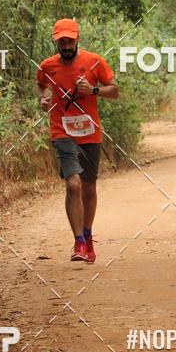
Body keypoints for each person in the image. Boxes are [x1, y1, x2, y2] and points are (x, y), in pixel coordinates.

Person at [36, 18, 119, 262]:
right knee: (73, 184)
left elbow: (114, 90)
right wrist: (42, 99)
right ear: (56, 42)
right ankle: (78, 242)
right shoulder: (47, 66)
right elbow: (40, 85)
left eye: (70, 41)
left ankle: (88, 236)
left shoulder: (94, 62)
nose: (66, 45)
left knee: (88, 186)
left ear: (77, 39)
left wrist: (93, 90)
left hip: (89, 133)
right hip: (62, 132)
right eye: (62, 41)